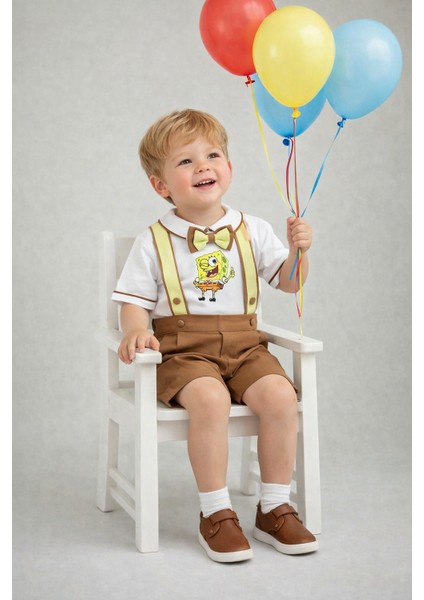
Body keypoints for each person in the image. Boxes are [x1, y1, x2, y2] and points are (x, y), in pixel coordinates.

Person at [112, 108, 318, 563]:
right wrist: (136, 331)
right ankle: (216, 511)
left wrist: (299, 253)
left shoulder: (254, 229)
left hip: (246, 347)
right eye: (185, 161)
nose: (202, 166)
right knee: (210, 400)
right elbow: (133, 301)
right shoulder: (154, 240)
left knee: (281, 396)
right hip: (184, 353)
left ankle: (274, 506)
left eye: (212, 156)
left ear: (229, 167)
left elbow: (288, 283)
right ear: (161, 185)